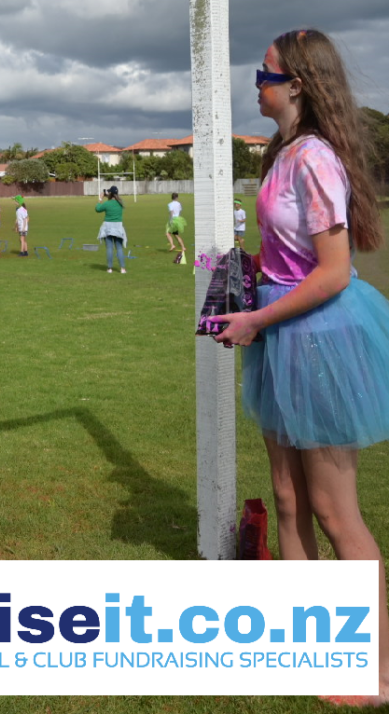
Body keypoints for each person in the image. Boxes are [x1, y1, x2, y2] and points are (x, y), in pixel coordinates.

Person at [212, 29, 389, 706]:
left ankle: (374, 671)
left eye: (264, 73)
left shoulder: (314, 158)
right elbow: (291, 259)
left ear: (298, 85)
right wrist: (246, 281)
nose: (255, 82)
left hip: (316, 335)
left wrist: (257, 318)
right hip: (281, 331)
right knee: (286, 500)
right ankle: (313, 648)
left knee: (333, 509)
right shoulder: (281, 152)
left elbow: (337, 272)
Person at [96, 185, 127, 274]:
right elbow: (115, 200)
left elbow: (97, 209)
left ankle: (109, 268)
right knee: (119, 248)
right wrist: (109, 196)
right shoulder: (121, 202)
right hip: (118, 227)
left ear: (110, 194)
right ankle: (122, 268)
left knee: (109, 248)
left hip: (108, 226)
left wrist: (101, 199)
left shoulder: (107, 203)